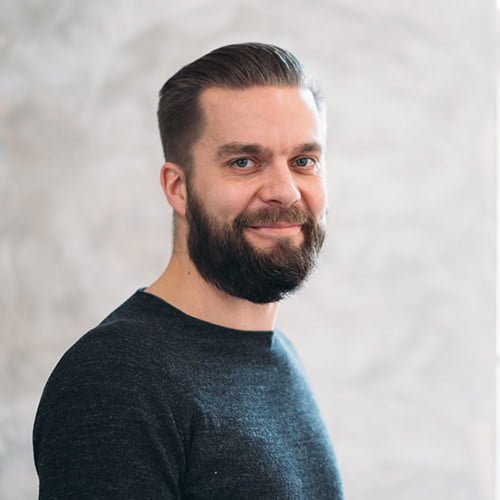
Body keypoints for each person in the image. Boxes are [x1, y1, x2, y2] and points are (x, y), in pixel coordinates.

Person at [33, 42, 344, 499]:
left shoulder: (279, 356)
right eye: (244, 162)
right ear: (178, 188)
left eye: (303, 162)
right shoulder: (117, 380)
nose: (285, 191)